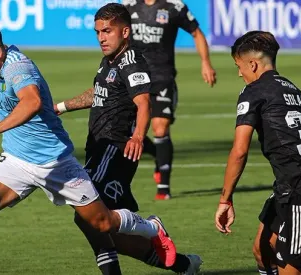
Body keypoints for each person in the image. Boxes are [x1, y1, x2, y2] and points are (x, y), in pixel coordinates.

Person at [0, 23, 177, 275]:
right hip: (16, 159)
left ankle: (152, 227)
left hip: (55, 163)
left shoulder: (19, 68)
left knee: (103, 222)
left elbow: (32, 102)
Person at [54, 3, 202, 275]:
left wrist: (137, 136)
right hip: (100, 149)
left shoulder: (130, 59)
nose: (101, 37)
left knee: (87, 214)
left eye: (107, 31)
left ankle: (153, 228)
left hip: (114, 148)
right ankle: (183, 265)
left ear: (125, 32)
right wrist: (61, 107)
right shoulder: (110, 60)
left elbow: (143, 102)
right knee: (100, 225)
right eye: (98, 31)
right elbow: (98, 92)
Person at [214, 31, 301, 275]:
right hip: (292, 186)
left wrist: (225, 200)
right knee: (262, 248)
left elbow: (239, 151)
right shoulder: (298, 93)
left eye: (239, 66)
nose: (239, 73)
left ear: (253, 64)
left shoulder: (253, 91)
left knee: (293, 269)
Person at [123, 0, 217, 199]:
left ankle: (163, 188)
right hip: (135, 77)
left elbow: (196, 32)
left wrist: (205, 63)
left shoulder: (174, 6)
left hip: (162, 78)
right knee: (127, 130)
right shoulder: (129, 5)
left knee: (160, 128)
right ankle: (159, 153)